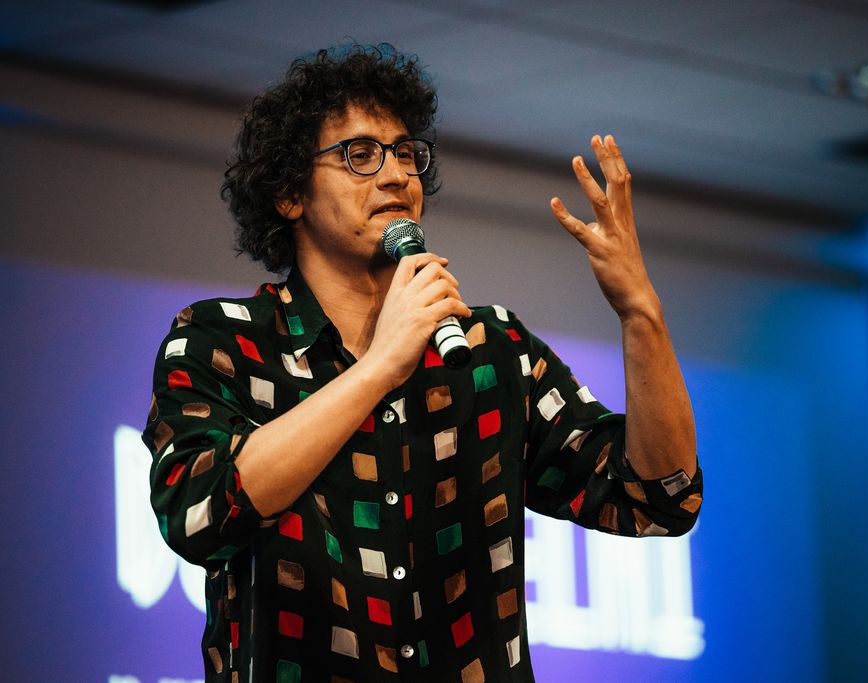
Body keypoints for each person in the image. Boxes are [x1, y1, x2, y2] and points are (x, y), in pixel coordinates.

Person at [143, 43, 702, 682]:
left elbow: (658, 497)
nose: (396, 177)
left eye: (406, 153)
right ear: (290, 193)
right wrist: (379, 366)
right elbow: (199, 514)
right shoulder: (221, 341)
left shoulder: (492, 351)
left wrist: (640, 312)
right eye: (360, 155)